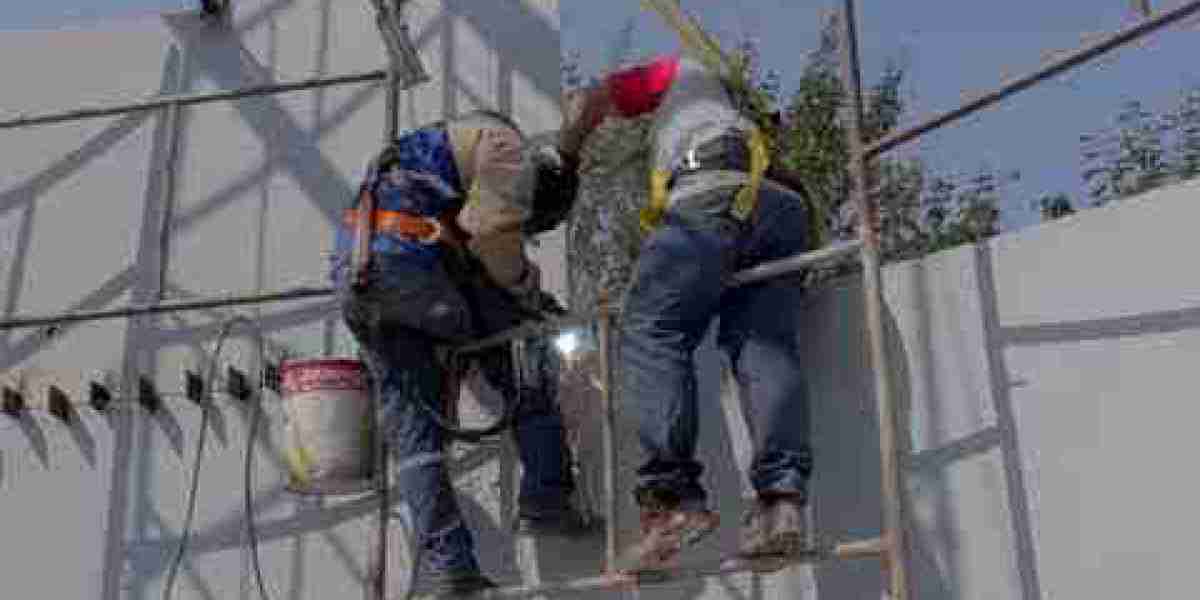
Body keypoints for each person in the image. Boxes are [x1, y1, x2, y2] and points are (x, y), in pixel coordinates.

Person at [560, 47, 842, 575]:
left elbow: (592, 100)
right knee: (764, 344)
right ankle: (782, 504)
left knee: (650, 328)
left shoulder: (679, 71)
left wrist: (563, 153)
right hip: (781, 208)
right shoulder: (742, 110)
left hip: (710, 190)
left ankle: (670, 503)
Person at [330, 110, 586, 595]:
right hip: (411, 271)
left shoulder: (420, 156)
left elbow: (468, 235)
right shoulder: (505, 145)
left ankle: (446, 566)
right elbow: (493, 241)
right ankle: (547, 496)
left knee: (414, 438)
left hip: (361, 285)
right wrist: (527, 291)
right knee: (520, 351)